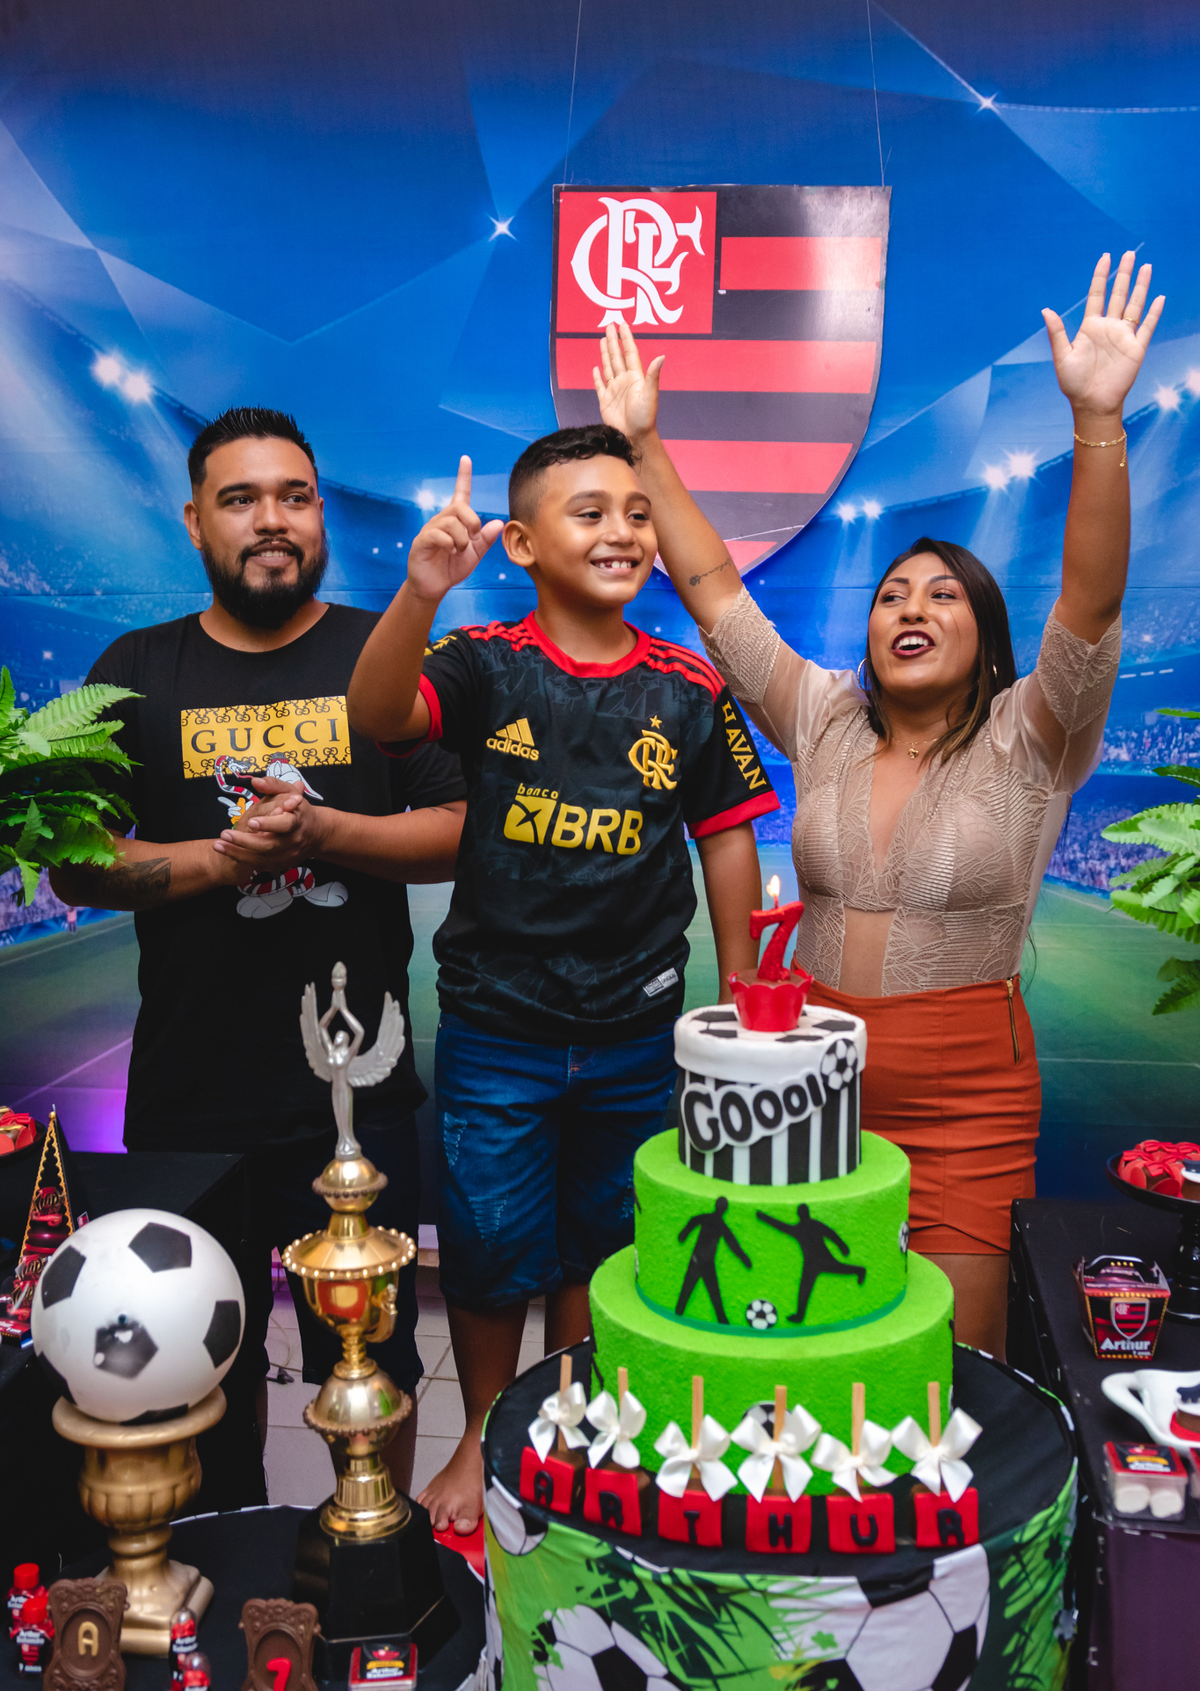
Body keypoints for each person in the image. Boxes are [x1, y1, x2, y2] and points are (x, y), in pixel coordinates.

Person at [593, 251, 1164, 1358]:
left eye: (944, 595)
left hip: (969, 1101)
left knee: (950, 1365)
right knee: (798, 1349)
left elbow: (1092, 604)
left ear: (986, 639)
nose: (911, 607)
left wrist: (1098, 418)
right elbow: (714, 595)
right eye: (893, 594)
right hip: (804, 1082)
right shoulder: (823, 718)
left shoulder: (1036, 732)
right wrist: (646, 447)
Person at [347, 423, 780, 1530]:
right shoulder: (482, 661)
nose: (623, 531)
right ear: (524, 544)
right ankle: (486, 1429)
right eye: (590, 513)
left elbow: (728, 834)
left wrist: (739, 991)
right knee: (489, 1249)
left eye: (638, 513)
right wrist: (420, 593)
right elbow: (380, 716)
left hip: (638, 1032)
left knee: (603, 1241)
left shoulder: (689, 687)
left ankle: (573, 1423)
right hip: (499, 1028)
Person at [50, 406, 467, 1495]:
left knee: (374, 1367)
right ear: (196, 522)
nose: (271, 520)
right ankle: (220, 1557)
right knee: (186, 1370)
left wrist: (322, 833)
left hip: (355, 1092)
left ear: (320, 513)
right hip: (192, 1095)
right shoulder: (134, 668)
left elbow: (458, 829)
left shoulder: (383, 654)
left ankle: (370, 1557)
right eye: (240, 499)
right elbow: (76, 863)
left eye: (294, 496)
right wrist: (223, 859)